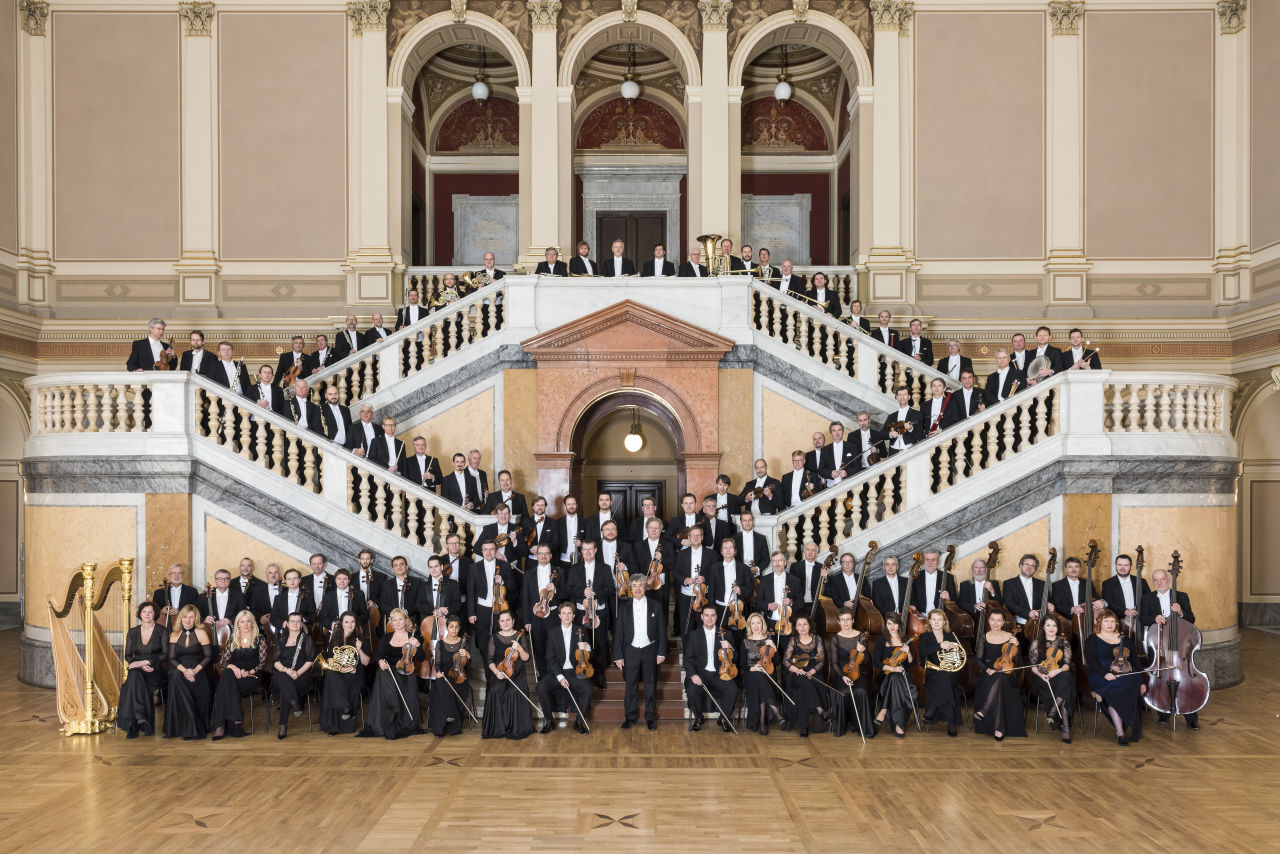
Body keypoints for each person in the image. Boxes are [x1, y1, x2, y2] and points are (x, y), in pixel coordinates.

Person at [1140, 568, 1199, 729]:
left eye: (1162, 579)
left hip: (1180, 647)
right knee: (1160, 679)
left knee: (1186, 681)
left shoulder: (1182, 596)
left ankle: (1190, 716)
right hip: (1159, 647)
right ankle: (1163, 713)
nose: (1159, 583)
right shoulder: (1147, 598)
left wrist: (1181, 612)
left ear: (1168, 580)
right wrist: (1153, 618)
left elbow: (1191, 619)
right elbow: (1141, 618)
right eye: (1156, 580)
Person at [613, 573, 668, 730]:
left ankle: (650, 717)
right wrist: (618, 656)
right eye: (634, 585)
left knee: (651, 685)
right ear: (630, 588)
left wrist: (661, 652)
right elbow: (619, 634)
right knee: (630, 686)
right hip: (630, 651)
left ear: (645, 587)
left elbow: (661, 631)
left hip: (650, 650)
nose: (637, 589)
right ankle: (630, 717)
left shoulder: (656, 606)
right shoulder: (623, 608)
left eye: (640, 585)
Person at [360, 607, 423, 739]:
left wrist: (418, 645)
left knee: (401, 678)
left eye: (401, 619)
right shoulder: (387, 637)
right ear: (392, 623)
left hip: (406, 671)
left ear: (406, 621)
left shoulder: (414, 636)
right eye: (395, 620)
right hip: (390, 671)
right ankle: (390, 720)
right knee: (382, 672)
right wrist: (381, 662)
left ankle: (401, 721)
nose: (398, 622)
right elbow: (379, 656)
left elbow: (422, 658)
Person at [1086, 609, 1144, 744]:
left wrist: (1142, 682)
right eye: (1106, 621)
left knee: (1132, 679)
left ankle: (1122, 731)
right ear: (1100, 623)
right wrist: (1105, 673)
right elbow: (1092, 662)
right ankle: (1120, 733)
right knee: (1123, 687)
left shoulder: (1124, 639)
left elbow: (1135, 662)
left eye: (1112, 621)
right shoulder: (1092, 639)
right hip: (1100, 675)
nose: (1110, 624)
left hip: (1123, 674)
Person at [535, 601, 593, 734]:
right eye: (564, 613)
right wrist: (560, 677)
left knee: (587, 689)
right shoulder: (553, 633)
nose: (566, 616)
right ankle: (549, 721)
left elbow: (591, 654)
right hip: (557, 672)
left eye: (569, 613)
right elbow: (550, 658)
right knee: (541, 687)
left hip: (575, 670)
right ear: (559, 615)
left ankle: (579, 722)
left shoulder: (581, 631)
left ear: (573, 616)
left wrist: (587, 648)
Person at [211, 609, 269, 740]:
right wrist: (234, 668)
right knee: (227, 675)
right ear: (237, 624)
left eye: (248, 621)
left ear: (253, 623)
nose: (245, 624)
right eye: (242, 622)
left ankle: (220, 725)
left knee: (225, 684)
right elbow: (224, 662)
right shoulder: (233, 639)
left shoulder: (259, 639)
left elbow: (263, 663)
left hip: (252, 676)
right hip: (234, 674)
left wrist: (249, 672)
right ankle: (236, 724)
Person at [682, 605, 738, 733]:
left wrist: (730, 647)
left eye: (712, 615)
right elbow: (687, 659)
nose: (709, 618)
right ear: (702, 617)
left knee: (732, 689)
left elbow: (735, 658)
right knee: (692, 691)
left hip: (720, 673)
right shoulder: (693, 635)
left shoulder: (726, 634)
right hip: (700, 674)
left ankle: (723, 719)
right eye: (706, 615)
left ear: (716, 617)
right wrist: (693, 675)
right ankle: (699, 718)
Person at [118, 600, 170, 738]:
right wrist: (139, 664)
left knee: (132, 682)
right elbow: (128, 656)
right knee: (135, 677)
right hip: (138, 669)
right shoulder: (133, 632)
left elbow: (165, 655)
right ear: (140, 614)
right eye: (144, 612)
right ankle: (141, 718)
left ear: (155, 614)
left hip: (156, 669)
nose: (147, 614)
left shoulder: (162, 631)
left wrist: (146, 662)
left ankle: (133, 726)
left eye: (150, 612)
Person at [972, 609, 1026, 740]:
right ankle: (999, 728)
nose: (995, 623)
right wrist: (987, 669)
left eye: (999, 620)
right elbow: (979, 659)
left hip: (1007, 671)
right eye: (992, 620)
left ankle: (984, 710)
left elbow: (1018, 660)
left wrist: (1017, 647)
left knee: (1001, 676)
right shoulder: (983, 637)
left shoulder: (1010, 637)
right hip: (989, 670)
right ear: (988, 621)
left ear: (1003, 622)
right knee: (998, 680)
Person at [163, 604, 213, 740]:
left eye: (191, 617)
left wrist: (194, 671)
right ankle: (190, 724)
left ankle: (192, 725)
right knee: (174, 675)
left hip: (198, 670)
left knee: (175, 677)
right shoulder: (174, 634)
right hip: (180, 669)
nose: (188, 620)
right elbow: (172, 658)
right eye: (185, 617)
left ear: (196, 619)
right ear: (180, 618)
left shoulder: (201, 633)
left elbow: (208, 656)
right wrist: (185, 671)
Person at [483, 611, 535, 740]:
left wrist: (519, 648)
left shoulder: (520, 636)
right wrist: (496, 672)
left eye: (508, 620)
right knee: (494, 691)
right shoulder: (494, 638)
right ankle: (498, 728)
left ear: (513, 621)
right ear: (499, 623)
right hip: (500, 671)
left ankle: (515, 728)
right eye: (502, 621)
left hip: (517, 673)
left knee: (513, 692)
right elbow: (490, 660)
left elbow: (526, 658)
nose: (505, 623)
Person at [318, 611, 370, 735]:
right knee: (331, 676)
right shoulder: (335, 638)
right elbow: (330, 660)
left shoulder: (361, 638)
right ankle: (345, 708)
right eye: (346, 622)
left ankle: (335, 725)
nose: (350, 625)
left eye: (352, 622)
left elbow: (366, 662)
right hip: (341, 672)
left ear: (356, 623)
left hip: (355, 674)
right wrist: (344, 669)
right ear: (341, 623)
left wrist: (359, 649)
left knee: (332, 681)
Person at [1028, 612, 1076, 743]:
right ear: (1043, 626)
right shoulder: (1036, 643)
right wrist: (1041, 675)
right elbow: (1033, 666)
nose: (1051, 628)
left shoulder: (1064, 643)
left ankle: (1054, 711)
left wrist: (1057, 671)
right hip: (1044, 679)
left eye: (1054, 625)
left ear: (1058, 628)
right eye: (1048, 625)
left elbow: (1066, 665)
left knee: (1066, 676)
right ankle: (1065, 729)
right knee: (1067, 689)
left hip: (1060, 675)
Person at [828, 607, 874, 738]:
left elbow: (867, 661)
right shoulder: (835, 639)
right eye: (842, 620)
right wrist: (843, 677)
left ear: (853, 620)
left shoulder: (861, 636)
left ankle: (861, 727)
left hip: (859, 673)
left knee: (862, 691)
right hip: (841, 674)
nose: (845, 622)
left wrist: (863, 651)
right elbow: (834, 663)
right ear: (838, 622)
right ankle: (842, 725)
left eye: (848, 619)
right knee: (843, 692)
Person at [917, 608, 963, 737]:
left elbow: (959, 656)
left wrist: (954, 648)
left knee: (945, 677)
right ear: (929, 622)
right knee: (944, 680)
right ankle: (951, 724)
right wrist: (939, 645)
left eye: (939, 619)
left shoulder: (951, 636)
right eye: (934, 619)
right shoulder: (924, 637)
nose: (936, 622)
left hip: (951, 672)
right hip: (933, 673)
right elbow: (923, 654)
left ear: (944, 622)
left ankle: (930, 711)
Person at [467, 540, 515, 664]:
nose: (489, 552)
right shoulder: (474, 567)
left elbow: (513, 587)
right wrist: (471, 613)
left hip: (500, 610)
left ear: (496, 551)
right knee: (483, 645)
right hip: (482, 609)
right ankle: (490, 677)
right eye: (486, 549)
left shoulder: (504, 565)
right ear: (482, 551)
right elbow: (470, 592)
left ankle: (499, 671)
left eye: (491, 549)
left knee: (500, 642)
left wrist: (502, 581)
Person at [271, 612, 315, 739]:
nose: (295, 624)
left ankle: (283, 725)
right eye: (292, 621)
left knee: (286, 687)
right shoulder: (281, 639)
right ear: (287, 624)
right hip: (283, 673)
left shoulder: (307, 639)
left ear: (301, 625)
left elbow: (310, 660)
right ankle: (295, 704)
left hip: (301, 676)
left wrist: (298, 672)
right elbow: (275, 661)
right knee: (283, 678)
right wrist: (286, 670)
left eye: (298, 621)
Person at [427, 616, 473, 737]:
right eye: (451, 626)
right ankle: (444, 722)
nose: (454, 629)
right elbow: (437, 663)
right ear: (447, 627)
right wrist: (438, 672)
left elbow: (468, 665)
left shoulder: (464, 643)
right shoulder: (440, 644)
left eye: (456, 627)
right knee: (441, 685)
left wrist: (468, 655)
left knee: (446, 687)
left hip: (459, 678)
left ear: (459, 628)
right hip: (444, 676)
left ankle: (449, 721)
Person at [782, 615, 827, 737]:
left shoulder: (817, 639)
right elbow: (786, 661)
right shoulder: (793, 640)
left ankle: (804, 726)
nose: (802, 627)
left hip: (814, 672)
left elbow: (821, 661)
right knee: (802, 680)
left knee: (803, 689)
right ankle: (819, 708)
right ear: (795, 627)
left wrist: (811, 672)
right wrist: (796, 669)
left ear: (810, 626)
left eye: (805, 624)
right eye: (799, 625)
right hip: (797, 673)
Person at [872, 612, 914, 738]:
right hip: (885, 675)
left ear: (899, 624)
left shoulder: (906, 640)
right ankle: (899, 725)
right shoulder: (881, 639)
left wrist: (909, 652)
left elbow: (911, 664)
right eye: (889, 623)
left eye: (895, 623)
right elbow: (876, 662)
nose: (892, 626)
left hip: (903, 675)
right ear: (886, 625)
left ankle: (883, 711)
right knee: (893, 677)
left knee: (896, 677)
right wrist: (891, 668)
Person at [742, 612, 781, 734]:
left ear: (762, 624)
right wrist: (752, 668)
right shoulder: (745, 641)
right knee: (758, 676)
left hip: (768, 673)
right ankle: (775, 713)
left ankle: (762, 720)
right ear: (749, 625)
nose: (756, 626)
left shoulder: (768, 640)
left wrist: (773, 646)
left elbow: (778, 661)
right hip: (751, 674)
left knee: (761, 679)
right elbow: (742, 663)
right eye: (753, 623)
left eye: (758, 622)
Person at [152, 563, 203, 628]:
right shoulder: (158, 593)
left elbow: (196, 610)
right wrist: (161, 611)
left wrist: (179, 611)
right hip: (164, 626)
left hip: (185, 625)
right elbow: (153, 611)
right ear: (169, 575)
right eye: (173, 573)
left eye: (179, 573)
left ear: (183, 575)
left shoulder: (192, 592)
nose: (176, 576)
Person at [957, 558, 1003, 624]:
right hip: (971, 619)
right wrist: (974, 606)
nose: (979, 571)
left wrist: (992, 591)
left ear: (986, 570)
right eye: (976, 567)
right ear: (972, 570)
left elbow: (1000, 603)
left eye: (982, 567)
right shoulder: (965, 585)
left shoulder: (994, 583)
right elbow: (961, 604)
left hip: (990, 620)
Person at [269, 568, 314, 635]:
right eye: (289, 579)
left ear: (299, 580)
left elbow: (313, 615)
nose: (292, 581)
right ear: (286, 581)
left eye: (295, 578)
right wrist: (283, 623)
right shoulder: (278, 598)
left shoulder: (308, 597)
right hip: (283, 632)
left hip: (302, 632)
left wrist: (301, 620)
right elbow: (273, 617)